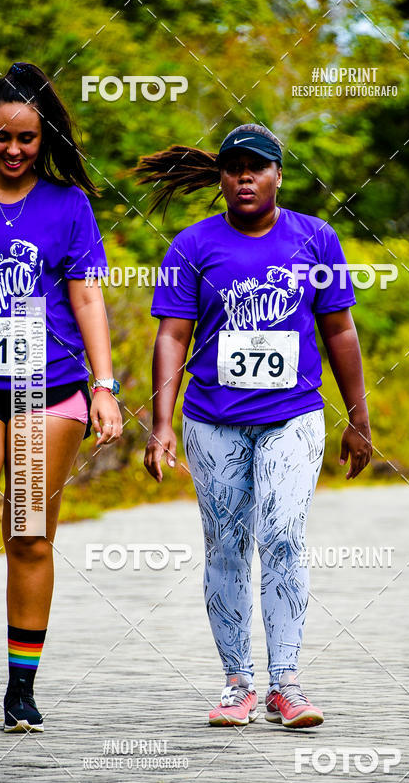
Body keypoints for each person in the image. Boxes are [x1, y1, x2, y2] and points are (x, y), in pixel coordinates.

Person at [140, 124, 372, 728]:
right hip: (212, 420)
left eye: (257, 167)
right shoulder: (191, 247)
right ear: (220, 178)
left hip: (293, 415)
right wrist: (160, 423)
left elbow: (340, 330)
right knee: (226, 545)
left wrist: (359, 418)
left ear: (277, 175)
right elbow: (171, 335)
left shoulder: (315, 239)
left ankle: (287, 682)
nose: (244, 177)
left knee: (284, 535)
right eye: (233, 168)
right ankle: (237, 682)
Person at [0, 62, 122, 733]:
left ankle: (21, 685)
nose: (13, 151)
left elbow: (86, 296)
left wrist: (104, 386)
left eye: (26, 139)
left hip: (48, 390)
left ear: (43, 139)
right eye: (0, 137)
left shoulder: (68, 204)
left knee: (26, 531)